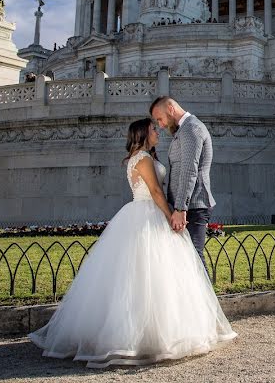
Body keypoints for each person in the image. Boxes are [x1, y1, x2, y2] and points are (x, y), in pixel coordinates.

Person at [28, 118, 235, 368]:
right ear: (142, 133)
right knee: (146, 276)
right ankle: (144, 337)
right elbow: (156, 192)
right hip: (147, 214)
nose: (157, 131)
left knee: (150, 277)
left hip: (143, 214)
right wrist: (172, 216)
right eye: (153, 128)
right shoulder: (143, 159)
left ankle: (151, 335)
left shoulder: (141, 157)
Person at [149, 96, 215, 266]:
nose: (161, 125)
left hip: (192, 207)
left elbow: (189, 170)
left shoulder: (191, 129)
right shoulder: (183, 130)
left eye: (160, 119)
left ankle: (206, 294)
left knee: (193, 259)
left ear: (171, 109)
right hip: (186, 207)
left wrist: (180, 208)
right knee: (185, 262)